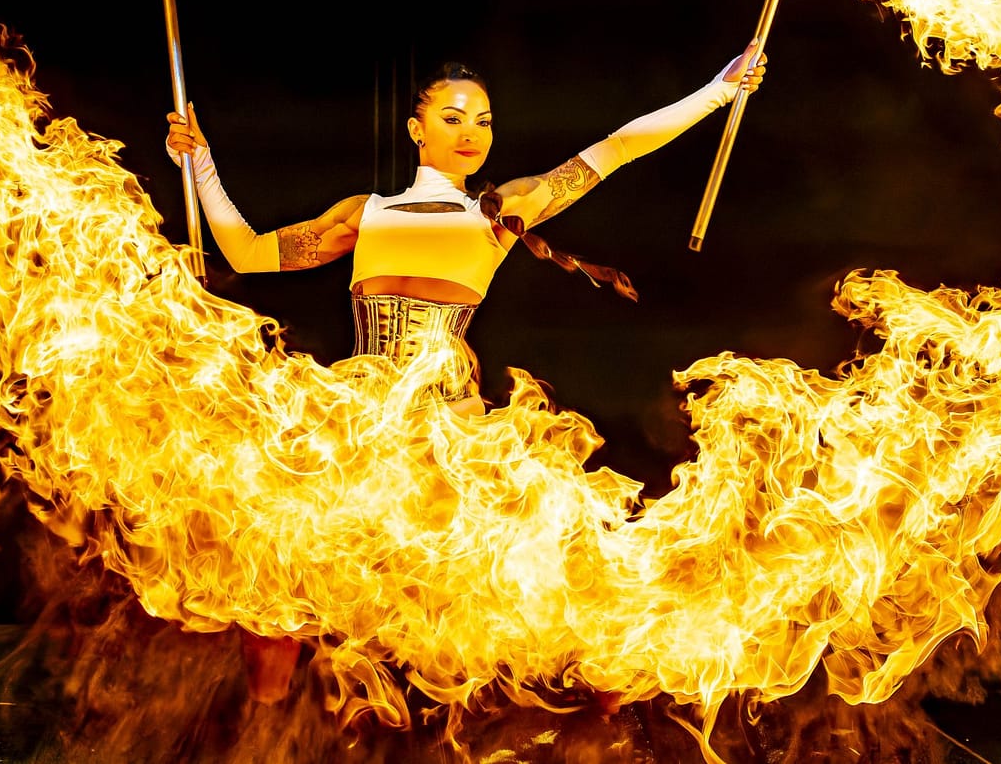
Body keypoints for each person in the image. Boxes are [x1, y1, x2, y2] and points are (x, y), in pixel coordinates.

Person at [164, 42, 768, 704]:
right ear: (416, 128)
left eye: (483, 121)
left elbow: (617, 147)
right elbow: (247, 252)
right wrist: (200, 164)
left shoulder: (500, 212)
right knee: (277, 600)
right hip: (357, 426)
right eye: (452, 118)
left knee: (477, 617)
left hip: (446, 436)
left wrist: (719, 89)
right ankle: (271, 725)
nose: (470, 133)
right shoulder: (364, 213)